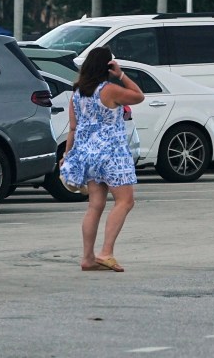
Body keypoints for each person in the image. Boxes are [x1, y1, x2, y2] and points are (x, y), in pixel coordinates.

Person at [60, 48, 145, 271]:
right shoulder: (109, 91)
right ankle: (106, 252)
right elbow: (139, 96)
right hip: (112, 154)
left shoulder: (77, 93)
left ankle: (87, 258)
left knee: (95, 205)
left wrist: (67, 156)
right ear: (107, 66)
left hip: (88, 154)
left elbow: (72, 128)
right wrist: (121, 75)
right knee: (125, 201)